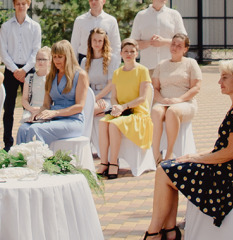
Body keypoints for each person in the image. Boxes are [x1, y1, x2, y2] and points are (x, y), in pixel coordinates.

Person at [135, 60, 233, 240]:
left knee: (164, 171)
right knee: (168, 167)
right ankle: (167, 231)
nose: (219, 82)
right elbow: (224, 149)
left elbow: (230, 152)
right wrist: (191, 156)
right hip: (223, 173)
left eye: (225, 77)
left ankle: (156, 233)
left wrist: (195, 159)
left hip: (224, 184)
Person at [16, 39, 90, 145]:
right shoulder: (51, 76)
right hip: (53, 119)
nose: (56, 60)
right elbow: (46, 104)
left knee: (35, 130)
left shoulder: (80, 75)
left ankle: (38, 161)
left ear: (68, 56)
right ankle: (21, 161)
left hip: (72, 121)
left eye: (60, 56)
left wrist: (55, 113)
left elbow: (79, 106)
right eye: (54, 56)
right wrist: (37, 114)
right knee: (23, 129)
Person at [98, 39, 153, 178]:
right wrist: (116, 106)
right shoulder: (117, 73)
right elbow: (113, 97)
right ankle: (104, 162)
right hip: (121, 111)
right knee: (103, 122)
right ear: (121, 53)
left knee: (114, 125)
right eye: (126, 51)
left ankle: (114, 162)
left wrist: (123, 107)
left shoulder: (142, 70)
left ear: (137, 53)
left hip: (137, 113)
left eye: (132, 51)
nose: (129, 54)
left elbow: (142, 98)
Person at [0, 0, 42, 147]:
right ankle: (8, 143)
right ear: (14, 6)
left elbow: (36, 50)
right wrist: (15, 70)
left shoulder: (35, 27)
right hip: (11, 71)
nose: (21, 6)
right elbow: (3, 51)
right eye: (18, 4)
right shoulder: (6, 26)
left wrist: (24, 70)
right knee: (8, 108)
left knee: (29, 107)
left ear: (28, 5)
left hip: (28, 70)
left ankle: (28, 142)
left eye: (24, 4)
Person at [150, 34, 202, 163]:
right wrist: (161, 100)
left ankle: (169, 153)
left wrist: (179, 100)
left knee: (172, 111)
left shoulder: (191, 63)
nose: (175, 47)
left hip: (185, 102)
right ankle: (156, 153)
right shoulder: (161, 65)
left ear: (185, 49)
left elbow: (196, 87)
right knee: (156, 111)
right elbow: (154, 88)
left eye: (179, 45)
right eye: (173, 44)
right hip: (164, 101)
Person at [130, 0, 186, 72]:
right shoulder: (141, 16)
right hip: (148, 68)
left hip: (170, 67)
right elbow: (133, 43)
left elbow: (183, 41)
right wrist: (150, 43)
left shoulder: (174, 15)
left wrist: (163, 42)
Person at [71, 0, 122, 70]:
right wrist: (74, 66)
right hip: (84, 59)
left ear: (103, 1)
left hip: (104, 60)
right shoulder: (80, 20)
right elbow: (74, 44)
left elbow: (116, 45)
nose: (93, 2)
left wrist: (116, 65)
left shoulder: (111, 21)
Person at [80, 27, 119, 120]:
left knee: (89, 109)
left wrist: (96, 98)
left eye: (100, 41)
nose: (97, 43)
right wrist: (92, 98)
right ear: (90, 41)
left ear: (104, 42)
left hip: (106, 98)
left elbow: (111, 84)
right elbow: (82, 85)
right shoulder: (84, 61)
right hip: (90, 96)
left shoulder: (112, 59)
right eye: (94, 40)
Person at [21, 46, 52, 121]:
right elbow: (24, 99)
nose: (40, 61)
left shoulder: (52, 78)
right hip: (31, 109)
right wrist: (31, 109)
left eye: (44, 59)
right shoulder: (30, 77)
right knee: (26, 125)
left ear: (50, 62)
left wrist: (42, 109)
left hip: (46, 110)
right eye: (38, 59)